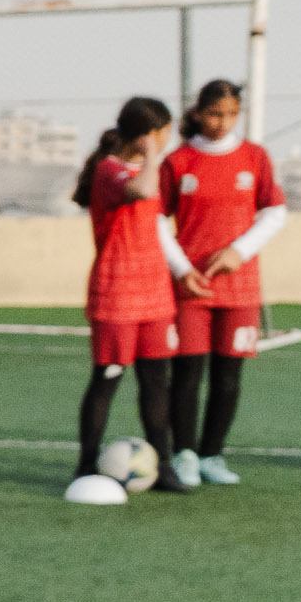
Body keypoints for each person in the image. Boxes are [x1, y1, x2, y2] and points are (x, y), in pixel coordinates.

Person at [159, 77, 288, 485]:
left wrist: (239, 251)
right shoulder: (178, 162)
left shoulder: (255, 158)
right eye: (214, 113)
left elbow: (274, 212)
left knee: (229, 375)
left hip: (241, 287)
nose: (222, 122)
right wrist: (182, 269)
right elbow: (158, 220)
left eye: (231, 114)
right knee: (188, 373)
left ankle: (213, 454)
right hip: (190, 286)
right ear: (198, 112)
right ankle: (185, 455)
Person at [67, 97, 186, 505]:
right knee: (108, 378)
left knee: (156, 382)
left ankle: (164, 466)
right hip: (116, 293)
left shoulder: (141, 169)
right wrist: (152, 153)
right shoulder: (109, 170)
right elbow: (142, 189)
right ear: (150, 135)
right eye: (164, 132)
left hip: (153, 293)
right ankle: (85, 465)